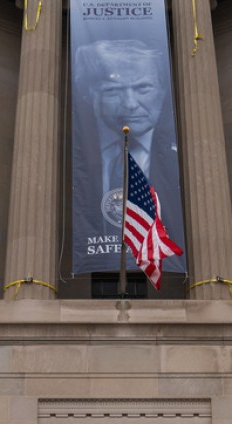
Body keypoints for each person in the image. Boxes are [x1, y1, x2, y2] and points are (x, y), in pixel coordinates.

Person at [71, 39, 183, 273]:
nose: (130, 104)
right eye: (113, 91)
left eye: (143, 89)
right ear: (88, 96)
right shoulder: (73, 163)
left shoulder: (179, 161)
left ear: (163, 92)